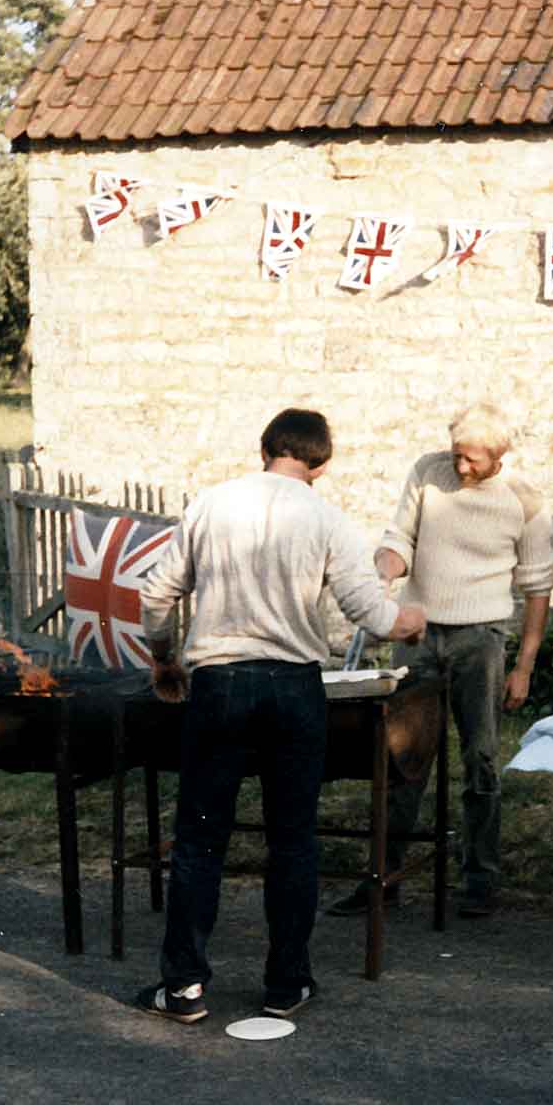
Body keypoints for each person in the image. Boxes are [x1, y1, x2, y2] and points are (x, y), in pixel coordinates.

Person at [131, 408, 427, 1025]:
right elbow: (372, 615)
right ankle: (286, 983)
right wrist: (411, 621)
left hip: (219, 685)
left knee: (200, 838)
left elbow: (157, 594)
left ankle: (183, 986)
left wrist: (163, 658)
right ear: (320, 464)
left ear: (264, 448)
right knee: (292, 840)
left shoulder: (210, 505)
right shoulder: (325, 517)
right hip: (294, 690)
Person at [328, 403, 553, 919]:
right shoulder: (428, 473)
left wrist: (524, 666)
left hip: (481, 639)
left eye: (473, 460)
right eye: (456, 454)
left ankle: (480, 880)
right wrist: (384, 572)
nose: (461, 467)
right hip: (420, 632)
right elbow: (399, 539)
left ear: (499, 457)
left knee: (481, 758)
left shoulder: (523, 499)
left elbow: (538, 587)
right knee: (400, 756)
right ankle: (383, 878)